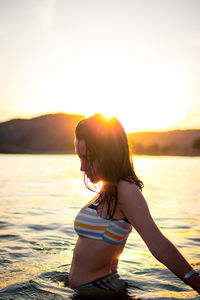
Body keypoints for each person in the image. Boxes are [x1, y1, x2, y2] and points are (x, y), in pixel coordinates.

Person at [69, 113, 200, 296]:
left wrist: (196, 281)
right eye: (79, 157)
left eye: (89, 158)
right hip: (84, 292)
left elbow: (158, 243)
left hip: (101, 293)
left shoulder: (125, 190)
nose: (82, 167)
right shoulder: (107, 189)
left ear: (108, 154)